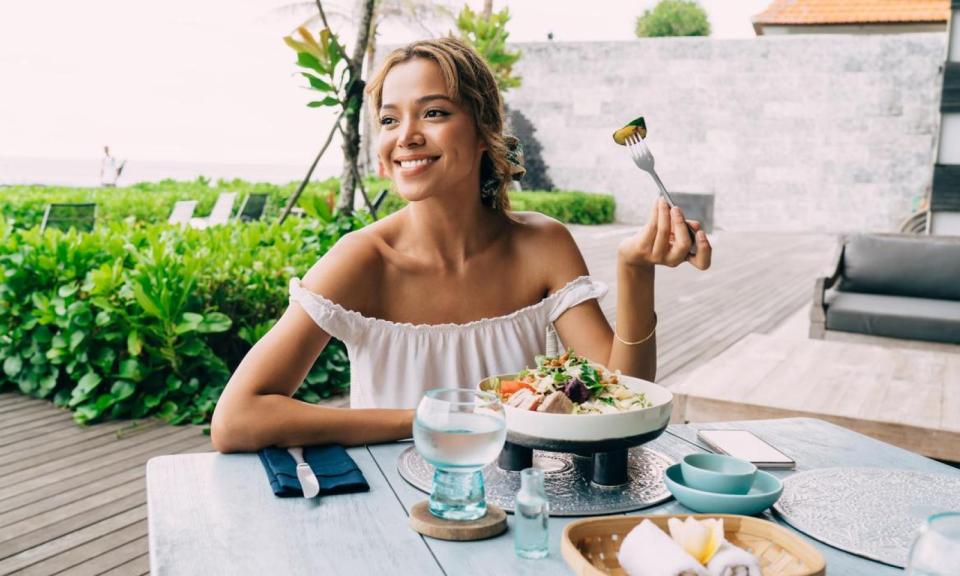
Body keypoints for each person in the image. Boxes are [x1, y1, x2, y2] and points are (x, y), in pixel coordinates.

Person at [210, 37, 711, 453]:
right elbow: (237, 420)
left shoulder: (542, 245)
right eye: (389, 120)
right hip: (395, 508)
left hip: (521, 502)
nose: (405, 135)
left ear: (482, 134)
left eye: (433, 112)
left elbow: (623, 398)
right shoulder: (362, 260)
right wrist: (440, 418)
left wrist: (635, 270)